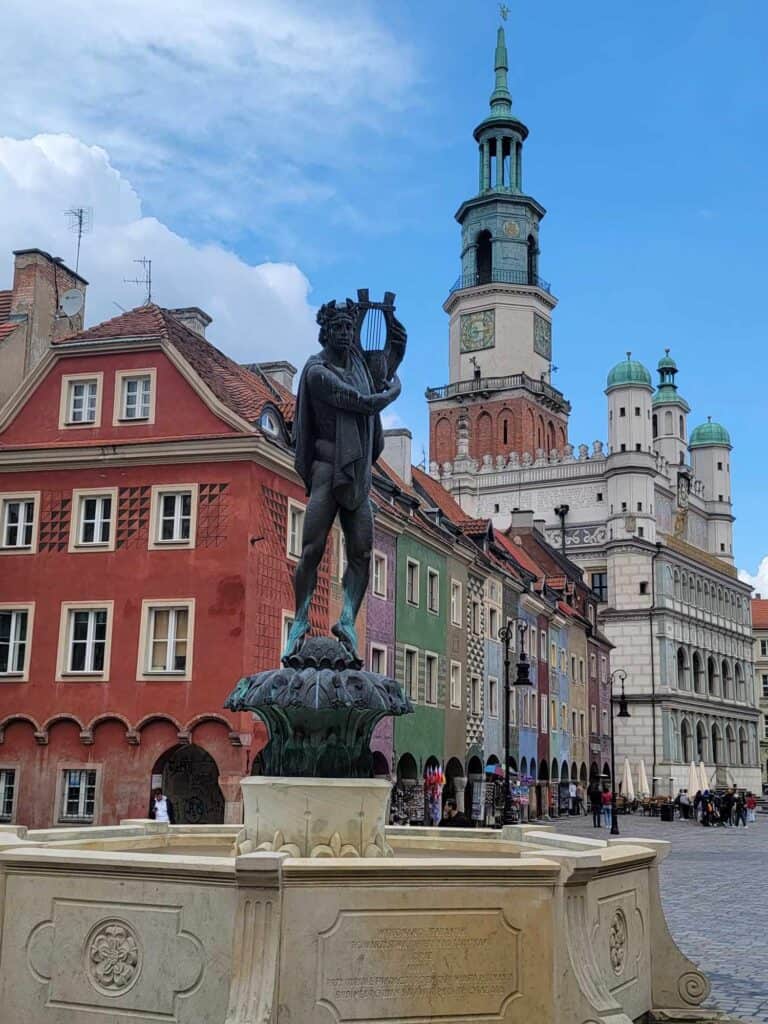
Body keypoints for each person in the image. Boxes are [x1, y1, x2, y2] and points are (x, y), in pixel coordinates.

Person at [284, 298, 404, 661]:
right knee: (312, 548)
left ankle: (348, 618)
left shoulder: (358, 366)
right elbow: (361, 402)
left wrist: (392, 325)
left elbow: (391, 356)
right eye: (338, 328)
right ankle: (300, 619)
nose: (345, 333)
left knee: (363, 549)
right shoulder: (317, 372)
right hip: (325, 466)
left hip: (356, 474)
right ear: (325, 332)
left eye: (349, 328)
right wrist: (393, 390)